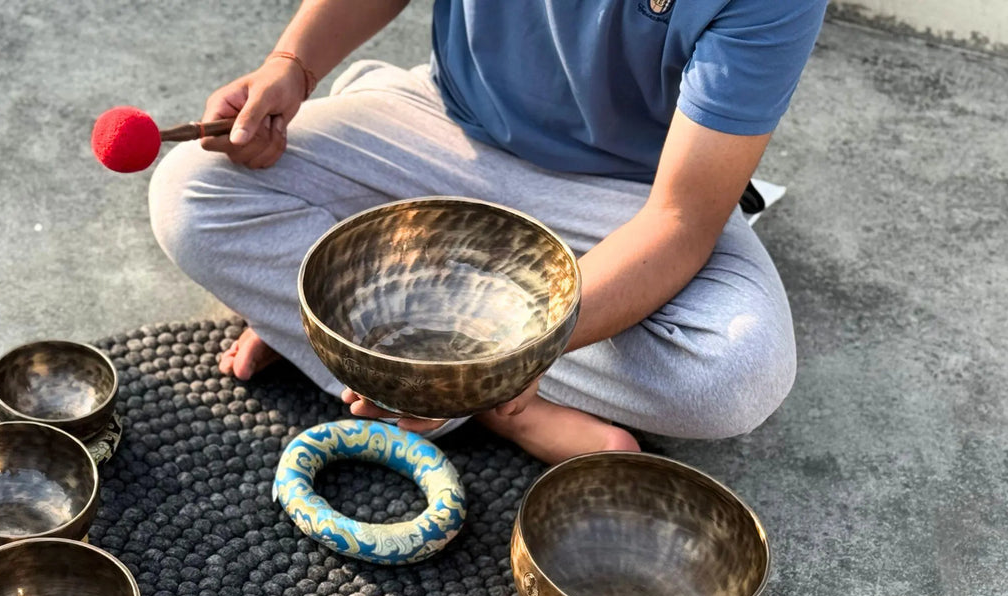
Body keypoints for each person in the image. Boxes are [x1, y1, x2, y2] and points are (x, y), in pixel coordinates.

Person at [149, 0, 827, 463]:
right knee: (192, 194)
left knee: (735, 373)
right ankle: (497, 405)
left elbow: (678, 219)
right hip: (444, 126)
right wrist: (292, 64)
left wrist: (515, 353)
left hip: (632, 196)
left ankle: (357, 335)